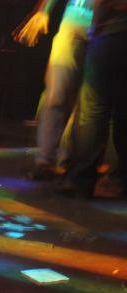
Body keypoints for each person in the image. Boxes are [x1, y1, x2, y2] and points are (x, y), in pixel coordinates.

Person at [13, 0, 94, 181]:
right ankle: (46, 161)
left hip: (109, 26)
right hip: (76, 19)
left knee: (90, 102)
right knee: (57, 93)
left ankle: (67, 162)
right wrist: (43, 10)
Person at [57, 0, 127, 197]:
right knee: (123, 112)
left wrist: (95, 27)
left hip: (112, 32)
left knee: (93, 110)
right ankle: (120, 179)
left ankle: (80, 180)